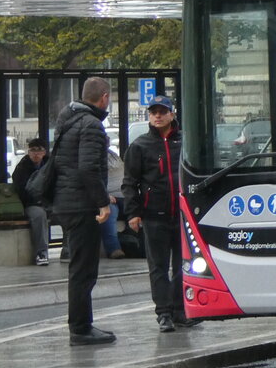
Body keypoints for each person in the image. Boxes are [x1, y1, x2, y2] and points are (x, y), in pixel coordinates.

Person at [122, 96, 197, 332]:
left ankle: (178, 309)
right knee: (158, 266)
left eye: (162, 112)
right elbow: (129, 182)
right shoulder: (140, 146)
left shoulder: (185, 142)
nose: (157, 116)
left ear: (172, 114)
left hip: (182, 214)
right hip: (154, 214)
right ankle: (163, 312)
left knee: (183, 265)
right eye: (153, 112)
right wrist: (133, 213)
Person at [52, 76, 117, 346]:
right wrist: (102, 202)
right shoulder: (91, 125)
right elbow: (88, 168)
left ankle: (81, 325)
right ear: (104, 98)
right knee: (84, 269)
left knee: (79, 266)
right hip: (81, 205)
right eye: (109, 98)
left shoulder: (67, 117)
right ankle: (80, 328)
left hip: (67, 201)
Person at [11, 138, 51, 266]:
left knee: (69, 212)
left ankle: (68, 250)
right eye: (33, 150)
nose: (36, 154)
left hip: (49, 202)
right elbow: (21, 191)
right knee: (39, 215)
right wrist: (37, 201)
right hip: (31, 204)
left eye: (39, 150)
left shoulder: (50, 166)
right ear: (28, 152)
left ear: (44, 152)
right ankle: (41, 253)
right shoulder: (21, 168)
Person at [99, 143, 127, 259]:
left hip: (123, 194)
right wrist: (104, 195)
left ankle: (141, 246)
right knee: (109, 212)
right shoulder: (92, 156)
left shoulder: (113, 155)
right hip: (107, 197)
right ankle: (114, 249)